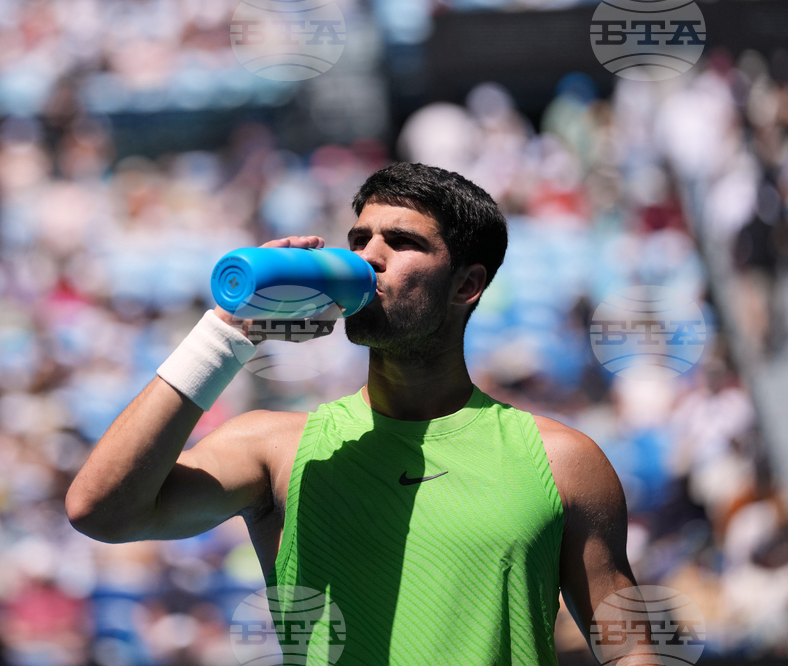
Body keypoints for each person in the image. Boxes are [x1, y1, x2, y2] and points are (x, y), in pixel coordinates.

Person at [66, 162, 654, 664]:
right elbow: (102, 511)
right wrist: (228, 331)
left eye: (402, 242)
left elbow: (629, 648)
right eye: (359, 238)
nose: (369, 256)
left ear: (466, 284)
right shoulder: (277, 448)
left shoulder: (563, 461)